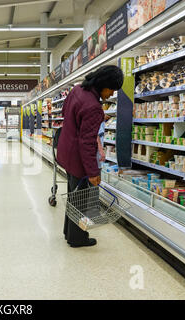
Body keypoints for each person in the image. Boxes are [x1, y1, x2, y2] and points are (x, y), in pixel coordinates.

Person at [56, 65, 124, 248]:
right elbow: (86, 143)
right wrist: (93, 172)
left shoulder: (77, 90)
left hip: (66, 151)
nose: (111, 95)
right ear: (104, 84)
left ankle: (68, 232)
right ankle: (77, 238)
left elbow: (64, 114)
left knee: (74, 195)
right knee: (82, 199)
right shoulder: (94, 107)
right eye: (111, 90)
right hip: (79, 158)